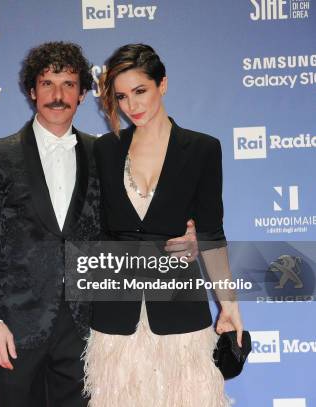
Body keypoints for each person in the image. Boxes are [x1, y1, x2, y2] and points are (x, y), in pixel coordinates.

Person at [0, 41, 198, 407]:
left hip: (88, 325)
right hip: (15, 326)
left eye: (69, 84)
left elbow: (126, 227)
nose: (57, 95)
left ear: (83, 92)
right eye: (47, 84)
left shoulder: (106, 152)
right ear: (31, 91)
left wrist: (181, 237)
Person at [84, 43, 244, 407]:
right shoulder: (105, 150)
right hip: (115, 312)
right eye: (122, 97)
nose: (131, 106)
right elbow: (95, 228)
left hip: (180, 309)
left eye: (140, 91)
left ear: (163, 84)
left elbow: (211, 233)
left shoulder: (203, 148)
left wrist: (229, 303)